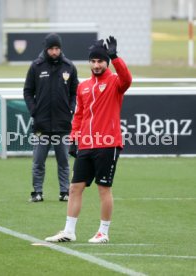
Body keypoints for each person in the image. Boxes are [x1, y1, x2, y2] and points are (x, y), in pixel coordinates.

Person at [45, 36, 132, 243]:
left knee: (104, 189)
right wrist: (75, 138)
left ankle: (103, 232)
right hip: (86, 145)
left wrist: (115, 57)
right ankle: (69, 231)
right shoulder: (83, 87)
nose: (96, 65)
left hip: (108, 144)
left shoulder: (114, 83)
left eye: (100, 61)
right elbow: (79, 115)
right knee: (75, 188)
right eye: (92, 61)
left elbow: (127, 79)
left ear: (106, 62)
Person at [24, 33, 78, 202]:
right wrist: (34, 110)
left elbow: (74, 92)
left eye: (57, 48)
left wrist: (70, 109)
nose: (54, 52)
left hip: (62, 123)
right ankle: (37, 192)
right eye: (51, 49)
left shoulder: (69, 67)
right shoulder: (36, 66)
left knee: (63, 161)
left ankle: (64, 192)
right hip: (41, 124)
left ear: (60, 48)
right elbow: (27, 91)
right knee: (38, 161)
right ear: (46, 49)